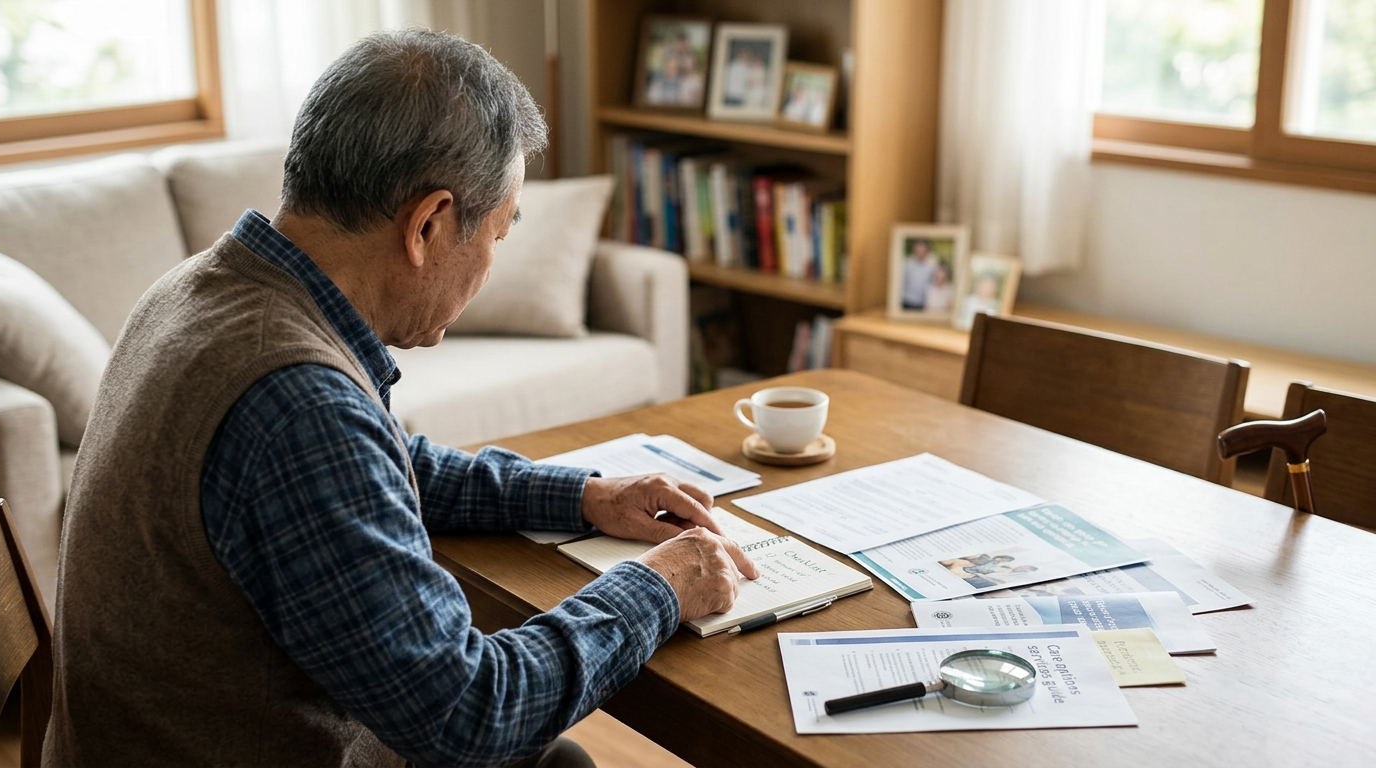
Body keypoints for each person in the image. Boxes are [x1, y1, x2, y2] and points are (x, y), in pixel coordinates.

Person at [45, 29, 758, 768]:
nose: (489, 265)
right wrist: (657, 586)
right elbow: (468, 716)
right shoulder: (297, 405)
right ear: (428, 224)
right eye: (499, 232)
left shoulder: (207, 289)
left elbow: (378, 461)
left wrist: (584, 495)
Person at [899, 239, 938, 310]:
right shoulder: (907, 264)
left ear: (927, 251)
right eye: (918, 250)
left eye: (923, 250)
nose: (920, 253)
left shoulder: (932, 265)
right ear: (914, 250)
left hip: (924, 303)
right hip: (907, 301)